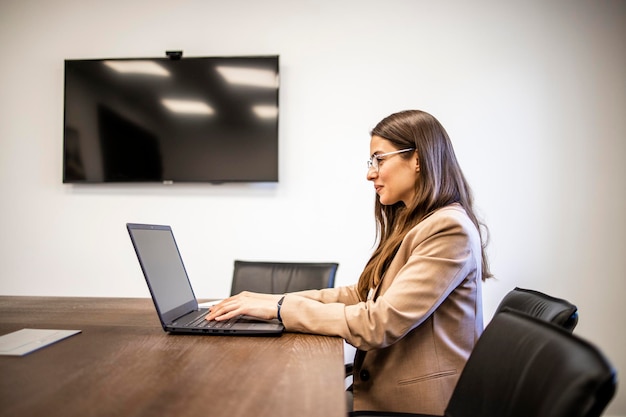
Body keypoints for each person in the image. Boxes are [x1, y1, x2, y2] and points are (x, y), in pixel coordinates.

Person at [206, 110, 492, 415]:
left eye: (379, 160)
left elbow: (378, 323)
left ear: (418, 159)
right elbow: (360, 294)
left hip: (422, 406)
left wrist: (279, 310)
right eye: (372, 162)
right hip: (387, 393)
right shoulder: (414, 222)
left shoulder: (448, 228)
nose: (371, 173)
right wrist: (271, 301)